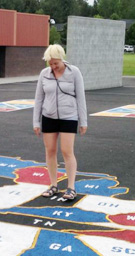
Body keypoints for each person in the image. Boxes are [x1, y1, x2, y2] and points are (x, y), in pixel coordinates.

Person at [33, 44, 88, 200]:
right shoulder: (44, 74)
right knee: (50, 150)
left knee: (66, 151)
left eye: (55, 63)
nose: (53, 66)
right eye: (50, 63)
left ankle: (71, 187)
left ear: (62, 59)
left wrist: (83, 121)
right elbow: (38, 99)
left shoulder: (74, 72)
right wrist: (36, 122)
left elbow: (81, 97)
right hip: (48, 116)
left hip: (68, 116)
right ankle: (53, 185)